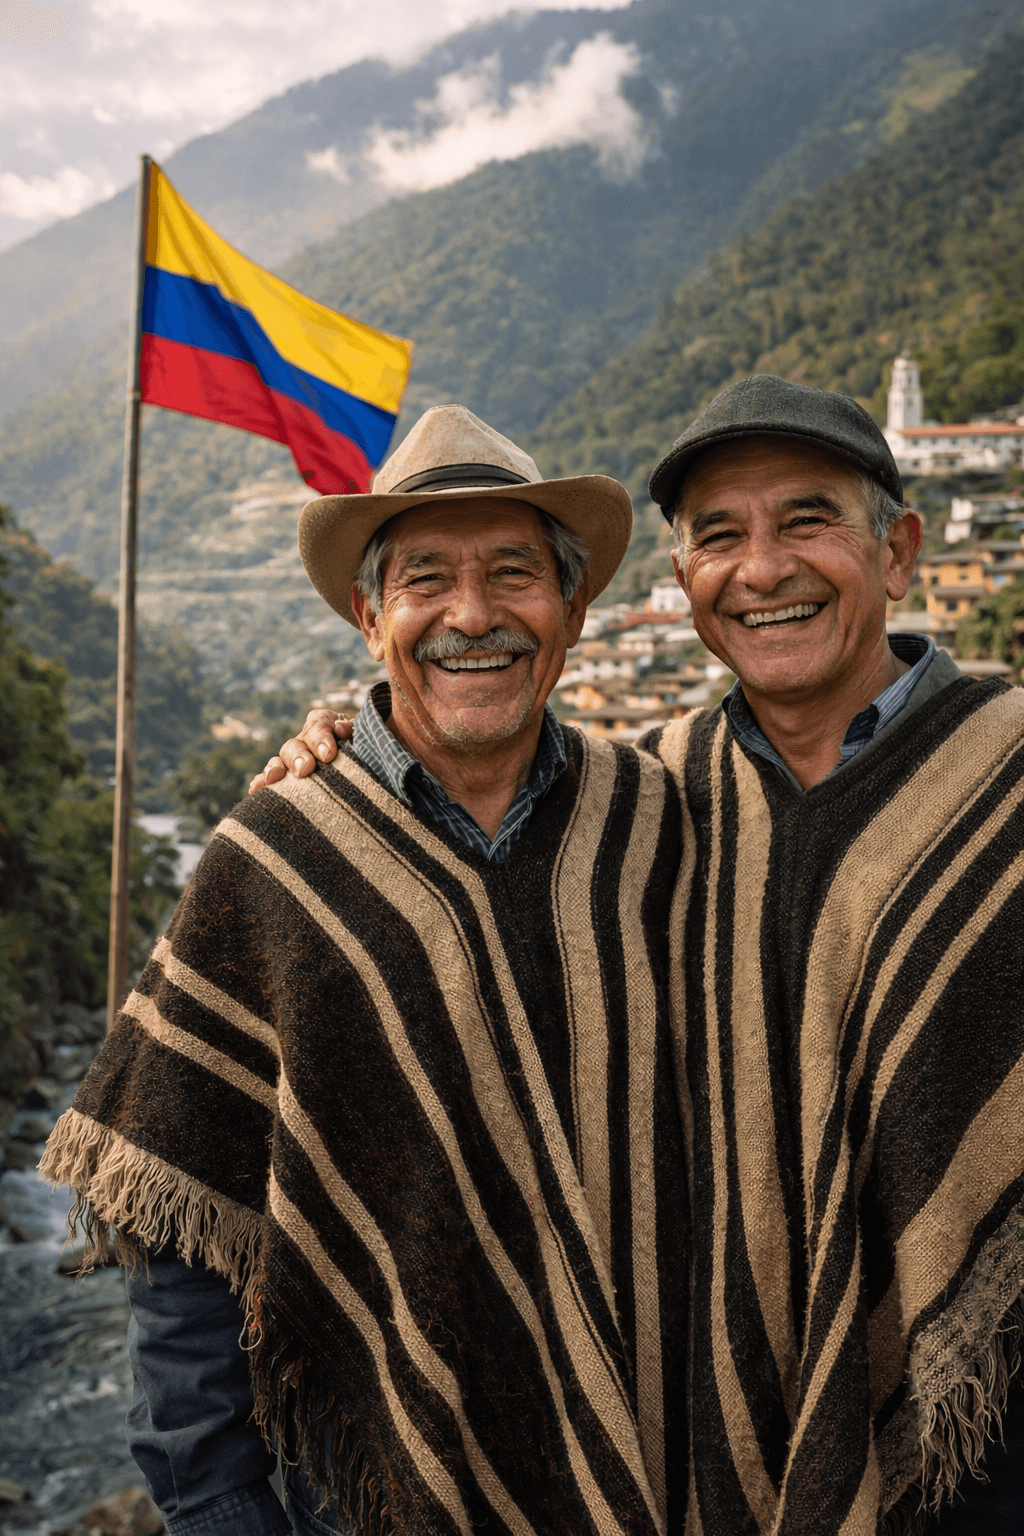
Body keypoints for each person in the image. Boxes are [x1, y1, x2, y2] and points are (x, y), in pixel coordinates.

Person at [264, 377, 1024, 1535]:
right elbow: (472, 764)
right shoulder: (653, 795)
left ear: (902, 550)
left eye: (808, 518)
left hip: (988, 1417)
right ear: (685, 587)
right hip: (707, 1437)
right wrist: (343, 740)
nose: (762, 569)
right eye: (720, 536)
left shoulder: (1004, 771)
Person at [42, 407, 689, 1536]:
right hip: (359, 1494)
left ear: (574, 611)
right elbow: (183, 1238)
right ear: (368, 615)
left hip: (651, 1468)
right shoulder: (274, 859)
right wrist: (218, 1506)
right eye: (425, 578)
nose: (472, 615)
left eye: (513, 575)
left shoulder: (653, 826)